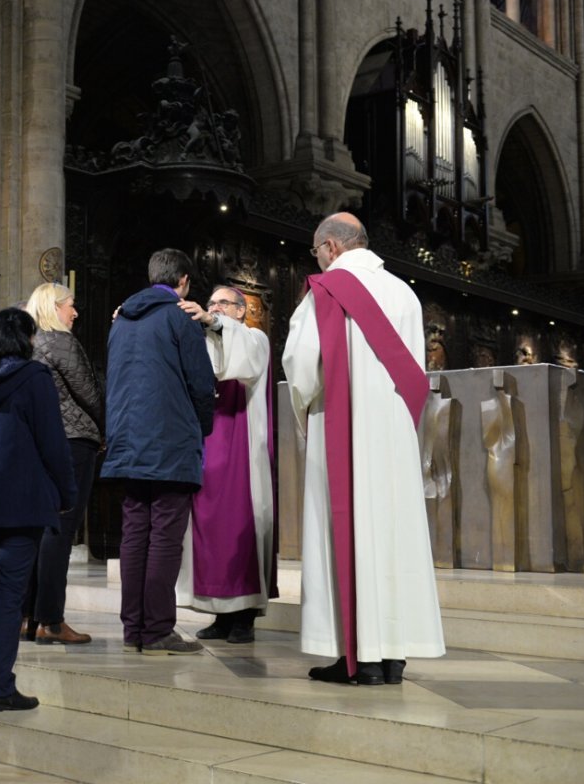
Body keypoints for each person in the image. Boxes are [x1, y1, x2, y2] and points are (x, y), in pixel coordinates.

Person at [283, 212, 445, 685]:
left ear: (331, 247)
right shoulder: (405, 293)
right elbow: (416, 374)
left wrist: (305, 408)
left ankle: (357, 657)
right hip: (393, 432)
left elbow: (302, 367)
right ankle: (391, 656)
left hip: (344, 424)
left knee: (349, 532)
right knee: (391, 537)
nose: (317, 260)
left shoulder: (326, 289)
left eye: (316, 252)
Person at [101, 248, 216, 655]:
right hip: (169, 442)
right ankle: (158, 629)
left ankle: (134, 627)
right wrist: (201, 428)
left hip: (126, 440)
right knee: (166, 538)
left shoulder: (121, 320)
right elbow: (202, 383)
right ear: (183, 281)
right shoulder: (178, 317)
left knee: (134, 535)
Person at [0, 308, 76, 711]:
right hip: (22, 503)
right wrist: (66, 492)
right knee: (9, 596)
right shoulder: (35, 380)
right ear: (25, 340)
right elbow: (53, 443)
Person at [177, 286, 276, 644]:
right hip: (207, 444)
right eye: (211, 303)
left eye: (223, 304)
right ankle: (219, 614)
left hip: (241, 445)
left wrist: (215, 323)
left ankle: (244, 616)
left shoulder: (254, 338)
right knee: (209, 527)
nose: (215, 308)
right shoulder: (204, 339)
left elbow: (244, 364)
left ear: (240, 311)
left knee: (241, 525)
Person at [21, 282, 103, 645]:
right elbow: (89, 392)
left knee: (40, 531)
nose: (75, 312)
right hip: (73, 443)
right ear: (54, 307)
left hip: (42, 444)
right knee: (61, 531)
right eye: (70, 305)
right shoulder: (62, 341)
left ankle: (27, 616)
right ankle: (51, 620)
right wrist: (105, 428)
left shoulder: (30, 343)